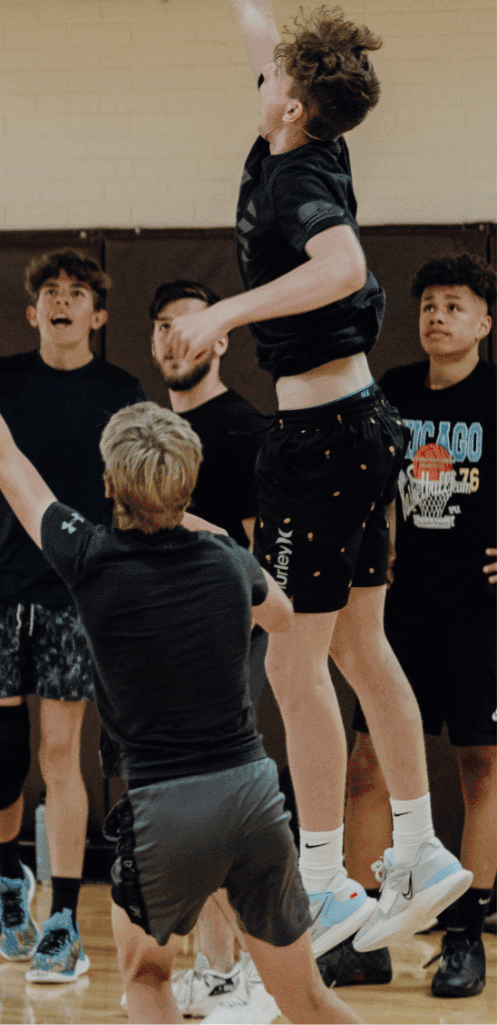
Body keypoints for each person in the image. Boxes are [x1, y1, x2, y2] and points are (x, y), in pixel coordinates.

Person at [171, 0, 471, 961]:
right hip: (358, 431)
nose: (261, 67)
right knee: (356, 647)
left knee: (290, 660)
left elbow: (342, 268)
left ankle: (321, 874)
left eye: (275, 71)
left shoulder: (300, 178)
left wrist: (226, 313)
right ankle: (419, 847)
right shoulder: (301, 136)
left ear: (294, 101)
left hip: (320, 438)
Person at [0, 255, 364, 1025]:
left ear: (110, 485)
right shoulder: (230, 561)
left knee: (147, 980)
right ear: (186, 483)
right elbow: (284, 615)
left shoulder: (88, 557)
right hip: (253, 799)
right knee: (306, 997)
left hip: (162, 810)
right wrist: (202, 526)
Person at [0, 248, 145, 982]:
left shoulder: (122, 393)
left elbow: (132, 502)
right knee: (0, 762)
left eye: (78, 292)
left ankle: (63, 918)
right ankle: (8, 877)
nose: (63, 301)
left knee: (61, 756)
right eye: (51, 292)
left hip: (75, 597)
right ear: (33, 312)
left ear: (98, 314)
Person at [343, 253, 496, 998]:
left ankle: (466, 935)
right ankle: (363, 937)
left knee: (480, 767)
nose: (438, 316)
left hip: (478, 613)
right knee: (367, 765)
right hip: (398, 611)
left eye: (455, 305)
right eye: (429, 304)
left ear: (484, 323)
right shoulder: (393, 392)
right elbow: (365, 484)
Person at [149, 278, 276, 1020]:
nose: (175, 338)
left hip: (227, 649)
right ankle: (217, 964)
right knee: (182, 807)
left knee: (218, 803)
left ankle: (241, 972)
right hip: (157, 649)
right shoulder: (144, 435)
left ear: (222, 339)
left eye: (189, 325)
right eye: (163, 325)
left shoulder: (245, 431)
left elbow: (263, 565)